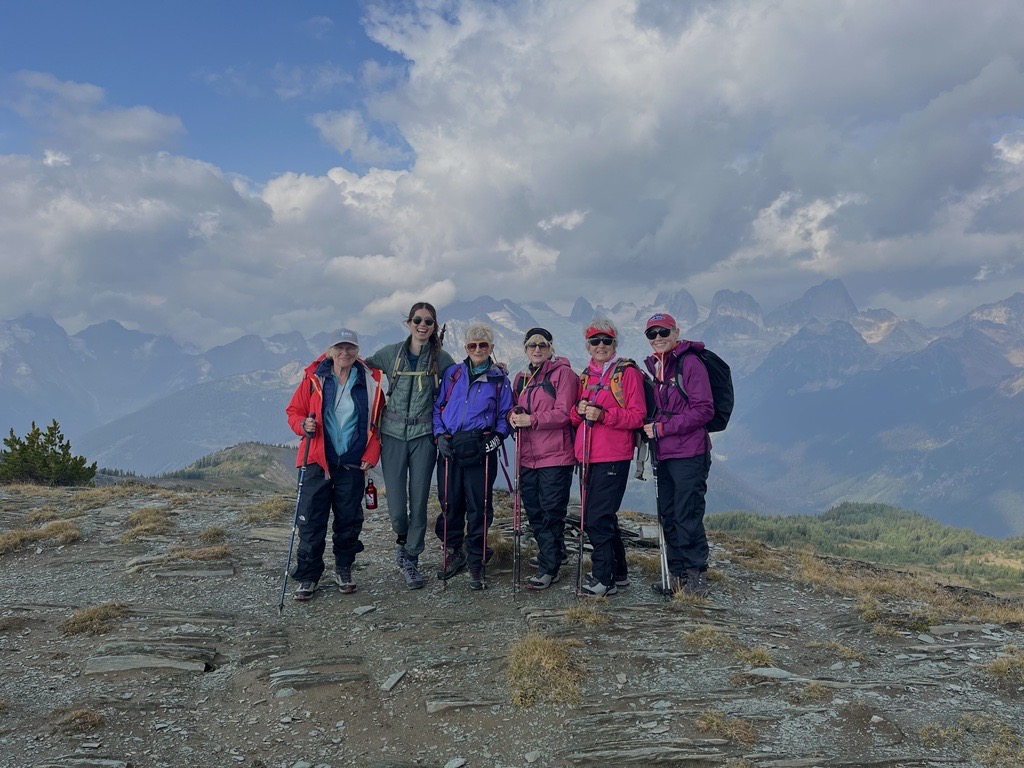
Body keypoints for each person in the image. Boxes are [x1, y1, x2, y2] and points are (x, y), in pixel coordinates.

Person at [285, 329, 384, 600]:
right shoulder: (314, 379)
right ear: (330, 350)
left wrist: (371, 453)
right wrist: (302, 425)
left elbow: (376, 425)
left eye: (350, 347)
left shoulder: (370, 381)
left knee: (348, 521)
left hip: (351, 462)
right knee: (311, 521)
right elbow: (293, 412)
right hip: (317, 460)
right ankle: (308, 576)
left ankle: (344, 569)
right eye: (339, 347)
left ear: (357, 350)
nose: (345, 352)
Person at [366, 302, 456, 589]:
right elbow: (360, 366)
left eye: (429, 322)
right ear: (408, 322)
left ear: (434, 326)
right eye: (418, 320)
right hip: (391, 434)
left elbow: (463, 378)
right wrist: (328, 361)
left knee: (418, 500)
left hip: (423, 436)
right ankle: (402, 539)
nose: (423, 325)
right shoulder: (390, 354)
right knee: (395, 504)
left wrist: (495, 367)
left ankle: (411, 558)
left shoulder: (441, 358)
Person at [433, 323, 513, 590]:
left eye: (483, 345)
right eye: (472, 345)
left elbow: (506, 416)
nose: (478, 349)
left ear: (491, 347)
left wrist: (497, 437)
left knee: (479, 506)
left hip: (481, 448)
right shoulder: (453, 374)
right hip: (451, 446)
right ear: (465, 347)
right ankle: (454, 550)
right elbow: (438, 407)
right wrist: (439, 436)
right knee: (450, 502)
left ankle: (476, 560)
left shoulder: (499, 380)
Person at [571, 317, 646, 597]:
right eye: (595, 341)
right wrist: (578, 411)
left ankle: (604, 580)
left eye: (606, 341)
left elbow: (637, 416)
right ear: (588, 346)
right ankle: (619, 572)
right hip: (587, 456)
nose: (600, 346)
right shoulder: (586, 375)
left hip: (612, 456)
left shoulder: (627, 373)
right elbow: (574, 416)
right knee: (605, 517)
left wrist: (604, 415)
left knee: (596, 518)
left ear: (614, 343)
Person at [642, 312, 715, 597]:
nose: (658, 338)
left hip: (689, 452)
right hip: (666, 452)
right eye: (652, 334)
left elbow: (704, 410)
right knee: (669, 513)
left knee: (687, 513)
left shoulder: (690, 363)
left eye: (663, 332)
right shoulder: (659, 366)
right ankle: (677, 575)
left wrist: (662, 429)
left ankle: (697, 576)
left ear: (676, 332)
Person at [509, 327, 577, 590]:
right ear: (525, 349)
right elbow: (514, 408)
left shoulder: (563, 375)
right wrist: (513, 417)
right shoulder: (522, 378)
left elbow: (565, 413)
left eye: (543, 345)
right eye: (532, 345)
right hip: (528, 456)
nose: (537, 349)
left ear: (551, 348)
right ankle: (555, 554)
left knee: (551, 512)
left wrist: (532, 419)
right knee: (535, 511)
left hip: (556, 456)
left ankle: (549, 568)